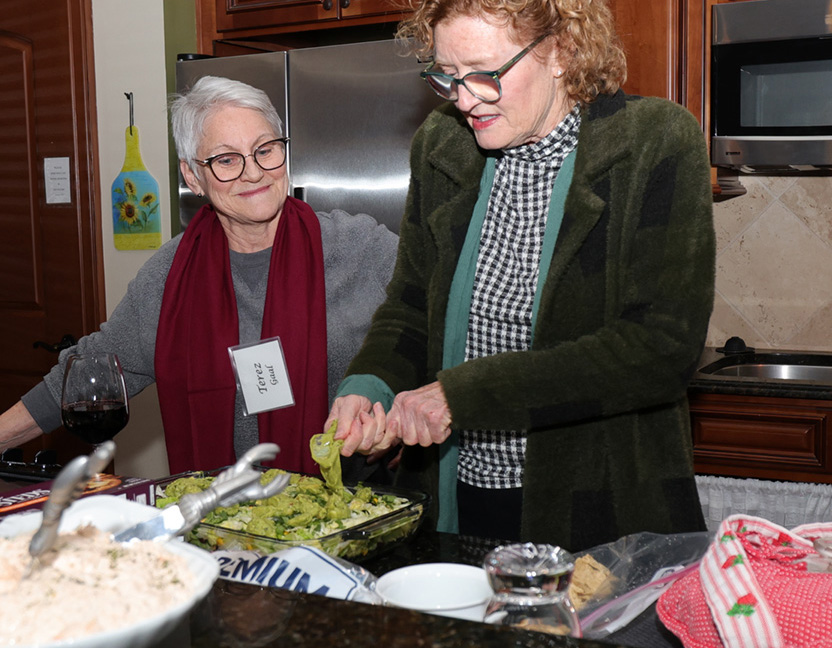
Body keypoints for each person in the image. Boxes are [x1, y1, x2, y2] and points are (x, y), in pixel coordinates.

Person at [326, 0, 716, 552]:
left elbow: (660, 348)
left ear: (562, 52)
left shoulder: (653, 141)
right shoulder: (441, 143)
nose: (464, 99)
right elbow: (411, 305)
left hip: (597, 497)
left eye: (485, 74)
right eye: (448, 75)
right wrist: (369, 385)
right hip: (455, 492)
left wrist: (464, 395)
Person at [0, 76, 398, 476]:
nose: (253, 173)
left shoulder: (361, 247)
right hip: (217, 507)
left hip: (359, 501)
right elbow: (89, 376)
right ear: (192, 176)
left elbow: (423, 336)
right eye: (226, 160)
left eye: (265, 150)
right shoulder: (171, 274)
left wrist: (397, 421)